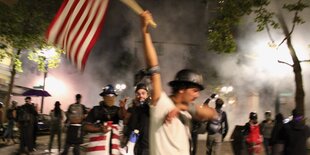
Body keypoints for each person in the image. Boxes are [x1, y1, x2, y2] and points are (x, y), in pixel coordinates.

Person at [140, 11, 217, 155]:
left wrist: (183, 107)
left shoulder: (186, 112)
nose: (197, 94)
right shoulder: (161, 103)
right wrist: (145, 31)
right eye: (194, 90)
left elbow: (212, 114)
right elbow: (153, 67)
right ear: (181, 89)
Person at [84, 84, 127, 155]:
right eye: (108, 96)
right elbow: (85, 126)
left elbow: (123, 117)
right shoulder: (96, 110)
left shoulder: (117, 110)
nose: (110, 98)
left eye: (112, 96)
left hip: (113, 150)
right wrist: (99, 129)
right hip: (98, 150)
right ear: (103, 97)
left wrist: (122, 107)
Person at [123, 83, 150, 155]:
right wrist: (123, 107)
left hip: (147, 146)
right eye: (138, 94)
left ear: (147, 94)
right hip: (134, 145)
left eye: (143, 93)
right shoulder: (132, 108)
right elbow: (125, 121)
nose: (140, 96)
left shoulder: (151, 107)